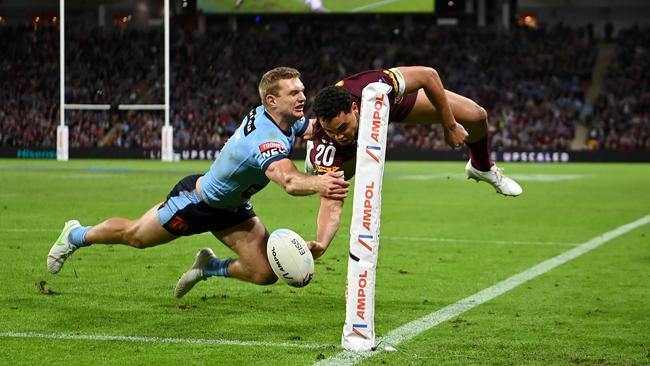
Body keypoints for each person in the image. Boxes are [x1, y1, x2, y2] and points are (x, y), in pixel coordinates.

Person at [47, 67, 349, 298]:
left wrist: (348, 128)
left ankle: (208, 267)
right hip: (197, 203)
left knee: (264, 273)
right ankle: (75, 235)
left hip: (234, 209)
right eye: (294, 93)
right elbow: (289, 181)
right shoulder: (264, 138)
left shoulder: (283, 120)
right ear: (272, 100)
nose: (303, 98)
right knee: (135, 236)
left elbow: (313, 128)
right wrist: (321, 183)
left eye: (302, 91)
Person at [303, 66, 522, 257]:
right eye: (331, 130)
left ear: (354, 108)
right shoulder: (329, 141)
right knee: (339, 179)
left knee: (476, 115)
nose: (338, 134)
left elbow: (428, 75)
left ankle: (481, 167)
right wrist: (322, 243)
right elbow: (331, 201)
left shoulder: (374, 85)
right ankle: (317, 162)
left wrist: (450, 125)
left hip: (389, 106)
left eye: (342, 127)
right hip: (347, 151)